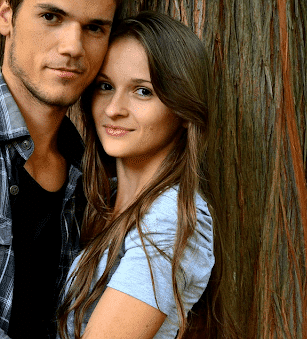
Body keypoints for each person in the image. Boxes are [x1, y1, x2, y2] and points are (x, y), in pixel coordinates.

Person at [57, 11, 215, 339]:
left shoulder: (171, 217)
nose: (114, 108)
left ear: (184, 111)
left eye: (142, 91)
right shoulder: (99, 201)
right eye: (105, 86)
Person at [0, 0, 124, 337]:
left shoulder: (96, 177)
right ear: (6, 16)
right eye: (51, 17)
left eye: (94, 27)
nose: (73, 47)